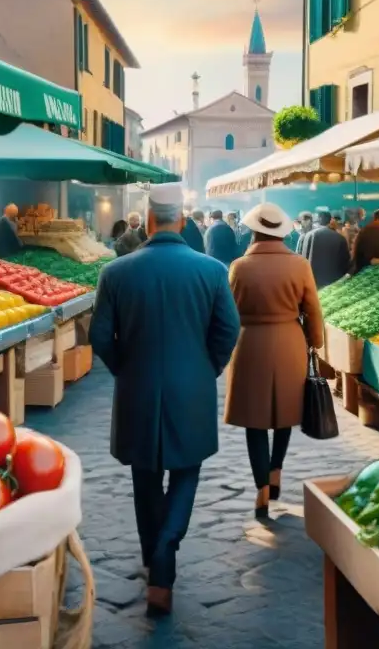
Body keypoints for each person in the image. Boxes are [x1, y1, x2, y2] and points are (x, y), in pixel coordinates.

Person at [89, 183, 240, 616]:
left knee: (144, 477)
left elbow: (99, 335)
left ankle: (154, 556)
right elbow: (228, 331)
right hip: (191, 386)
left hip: (136, 386)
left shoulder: (116, 272)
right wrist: (205, 368)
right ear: (182, 220)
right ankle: (165, 555)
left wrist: (125, 367)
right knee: (186, 472)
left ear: (150, 220)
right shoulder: (211, 271)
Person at [225, 203, 324, 518]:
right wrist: (316, 342)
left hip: (250, 343)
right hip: (289, 342)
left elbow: (228, 311)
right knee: (285, 413)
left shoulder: (239, 266)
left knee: (254, 422)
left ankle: (262, 490)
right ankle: (276, 472)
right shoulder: (299, 265)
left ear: (254, 230)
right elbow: (313, 309)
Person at [298, 210, 350, 288]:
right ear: (330, 220)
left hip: (310, 280)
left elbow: (299, 258)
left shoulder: (305, 236)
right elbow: (345, 261)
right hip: (332, 282)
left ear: (317, 220)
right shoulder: (340, 238)